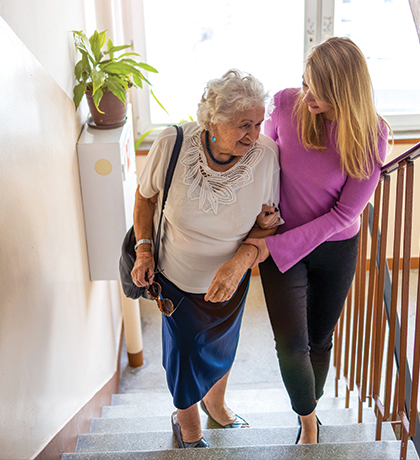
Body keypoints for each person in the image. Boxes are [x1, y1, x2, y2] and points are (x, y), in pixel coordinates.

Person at [245, 37, 391, 445]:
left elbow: (345, 214)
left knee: (319, 340)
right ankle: (308, 421)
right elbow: (262, 160)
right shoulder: (286, 103)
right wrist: (262, 215)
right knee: (291, 345)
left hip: (334, 247)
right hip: (281, 240)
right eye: (305, 83)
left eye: (318, 91)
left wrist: (275, 247)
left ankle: (310, 403)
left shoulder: (371, 135)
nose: (306, 95)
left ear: (344, 91)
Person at [131, 69, 282, 448]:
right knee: (183, 354)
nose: (254, 134)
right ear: (213, 120)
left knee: (220, 347)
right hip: (175, 279)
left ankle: (216, 404)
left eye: (259, 123)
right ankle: (189, 425)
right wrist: (144, 248)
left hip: (231, 279)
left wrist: (241, 260)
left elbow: (267, 224)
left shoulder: (266, 156)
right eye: (243, 124)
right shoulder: (173, 142)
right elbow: (145, 197)